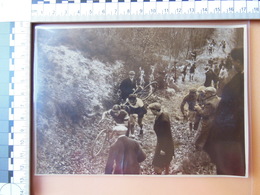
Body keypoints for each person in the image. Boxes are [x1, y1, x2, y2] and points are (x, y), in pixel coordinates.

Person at [204, 47, 246, 176]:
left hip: (231, 137)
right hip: (239, 134)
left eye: (233, 61)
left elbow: (228, 112)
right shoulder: (240, 79)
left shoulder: (239, 82)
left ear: (238, 61)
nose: (233, 64)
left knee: (229, 167)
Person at [148, 102, 174, 175]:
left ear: (155, 110)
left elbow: (165, 136)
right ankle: (166, 172)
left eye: (152, 110)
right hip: (161, 142)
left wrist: (163, 148)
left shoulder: (163, 121)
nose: (151, 112)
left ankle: (163, 176)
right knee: (164, 160)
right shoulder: (162, 114)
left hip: (164, 144)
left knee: (159, 163)